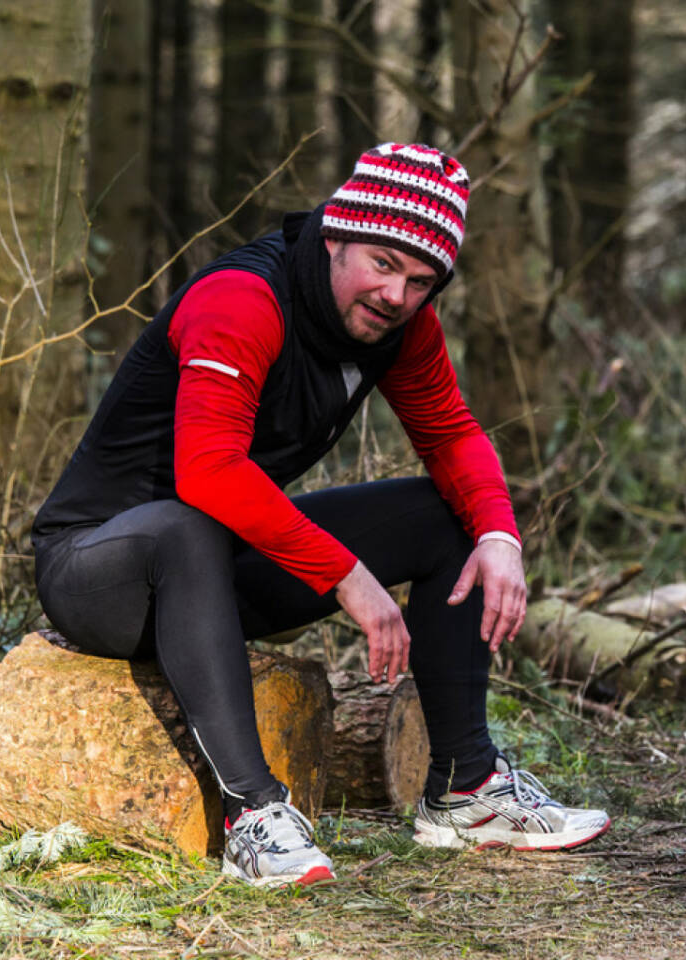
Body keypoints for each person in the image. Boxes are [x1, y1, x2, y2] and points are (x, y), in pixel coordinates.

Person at [30, 143, 610, 888]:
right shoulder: (242, 298)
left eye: (421, 280)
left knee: (446, 516)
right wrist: (347, 577)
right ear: (335, 233)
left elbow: (453, 435)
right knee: (184, 522)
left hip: (217, 573)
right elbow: (206, 469)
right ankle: (254, 814)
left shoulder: (401, 326)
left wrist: (500, 535)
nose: (397, 294)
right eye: (382, 262)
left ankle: (466, 789)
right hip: (98, 572)